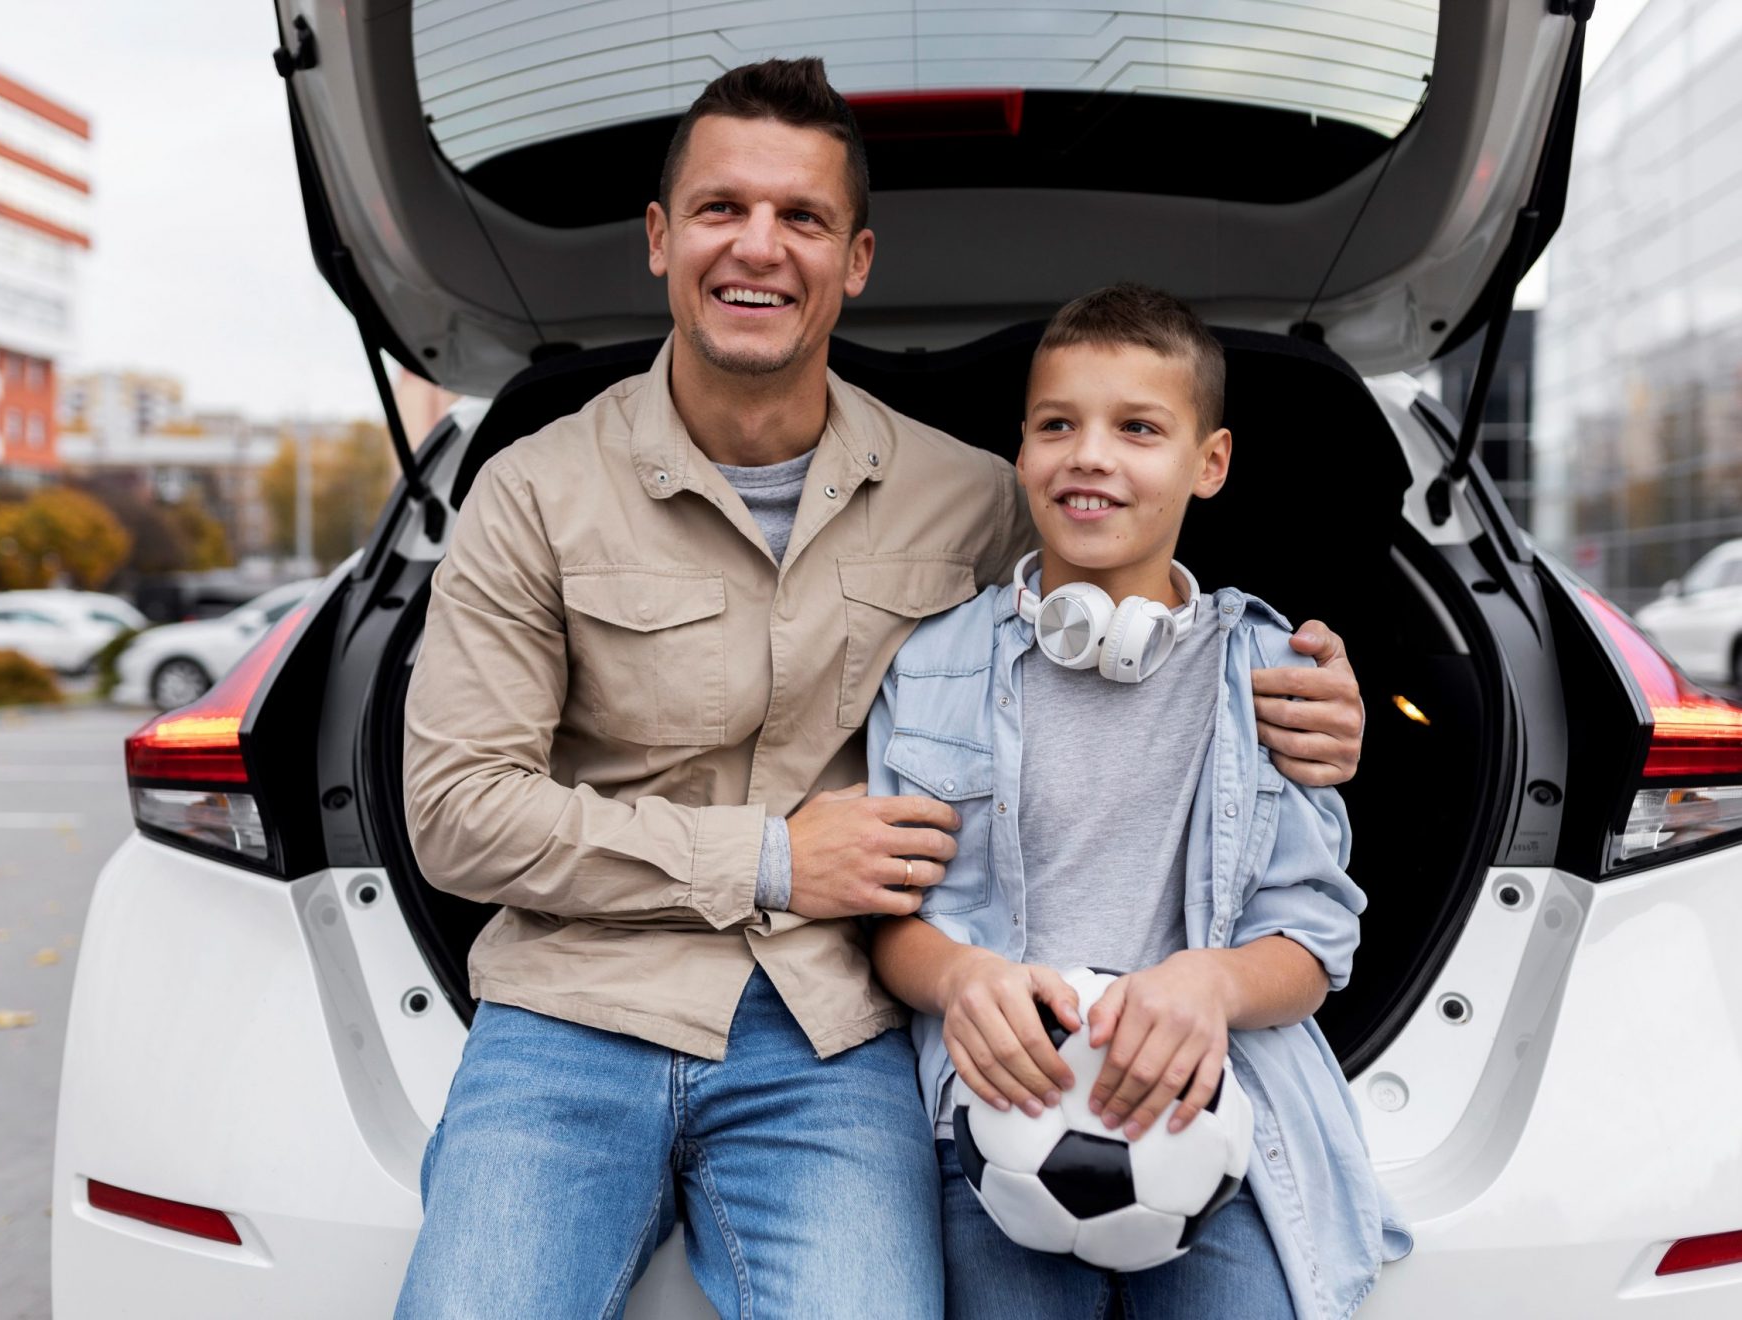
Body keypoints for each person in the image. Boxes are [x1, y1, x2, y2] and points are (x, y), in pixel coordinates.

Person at [397, 61, 1368, 1320]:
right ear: (659, 238)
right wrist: (769, 860)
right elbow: (457, 811)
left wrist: (1314, 708)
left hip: (831, 1031)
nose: (760, 246)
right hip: (570, 1011)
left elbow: (1132, 618)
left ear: (854, 260)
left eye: (802, 218)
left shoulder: (971, 496)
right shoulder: (531, 493)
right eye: (720, 209)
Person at [869, 284, 1412, 1320]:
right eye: (1058, 425)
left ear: (1210, 464)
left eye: (1139, 429)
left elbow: (1312, 942)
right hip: (993, 1119)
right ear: (1020, 451)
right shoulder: (933, 666)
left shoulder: (1270, 676)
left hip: (1213, 1124)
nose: (1090, 455)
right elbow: (890, 921)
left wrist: (1210, 986)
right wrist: (965, 980)